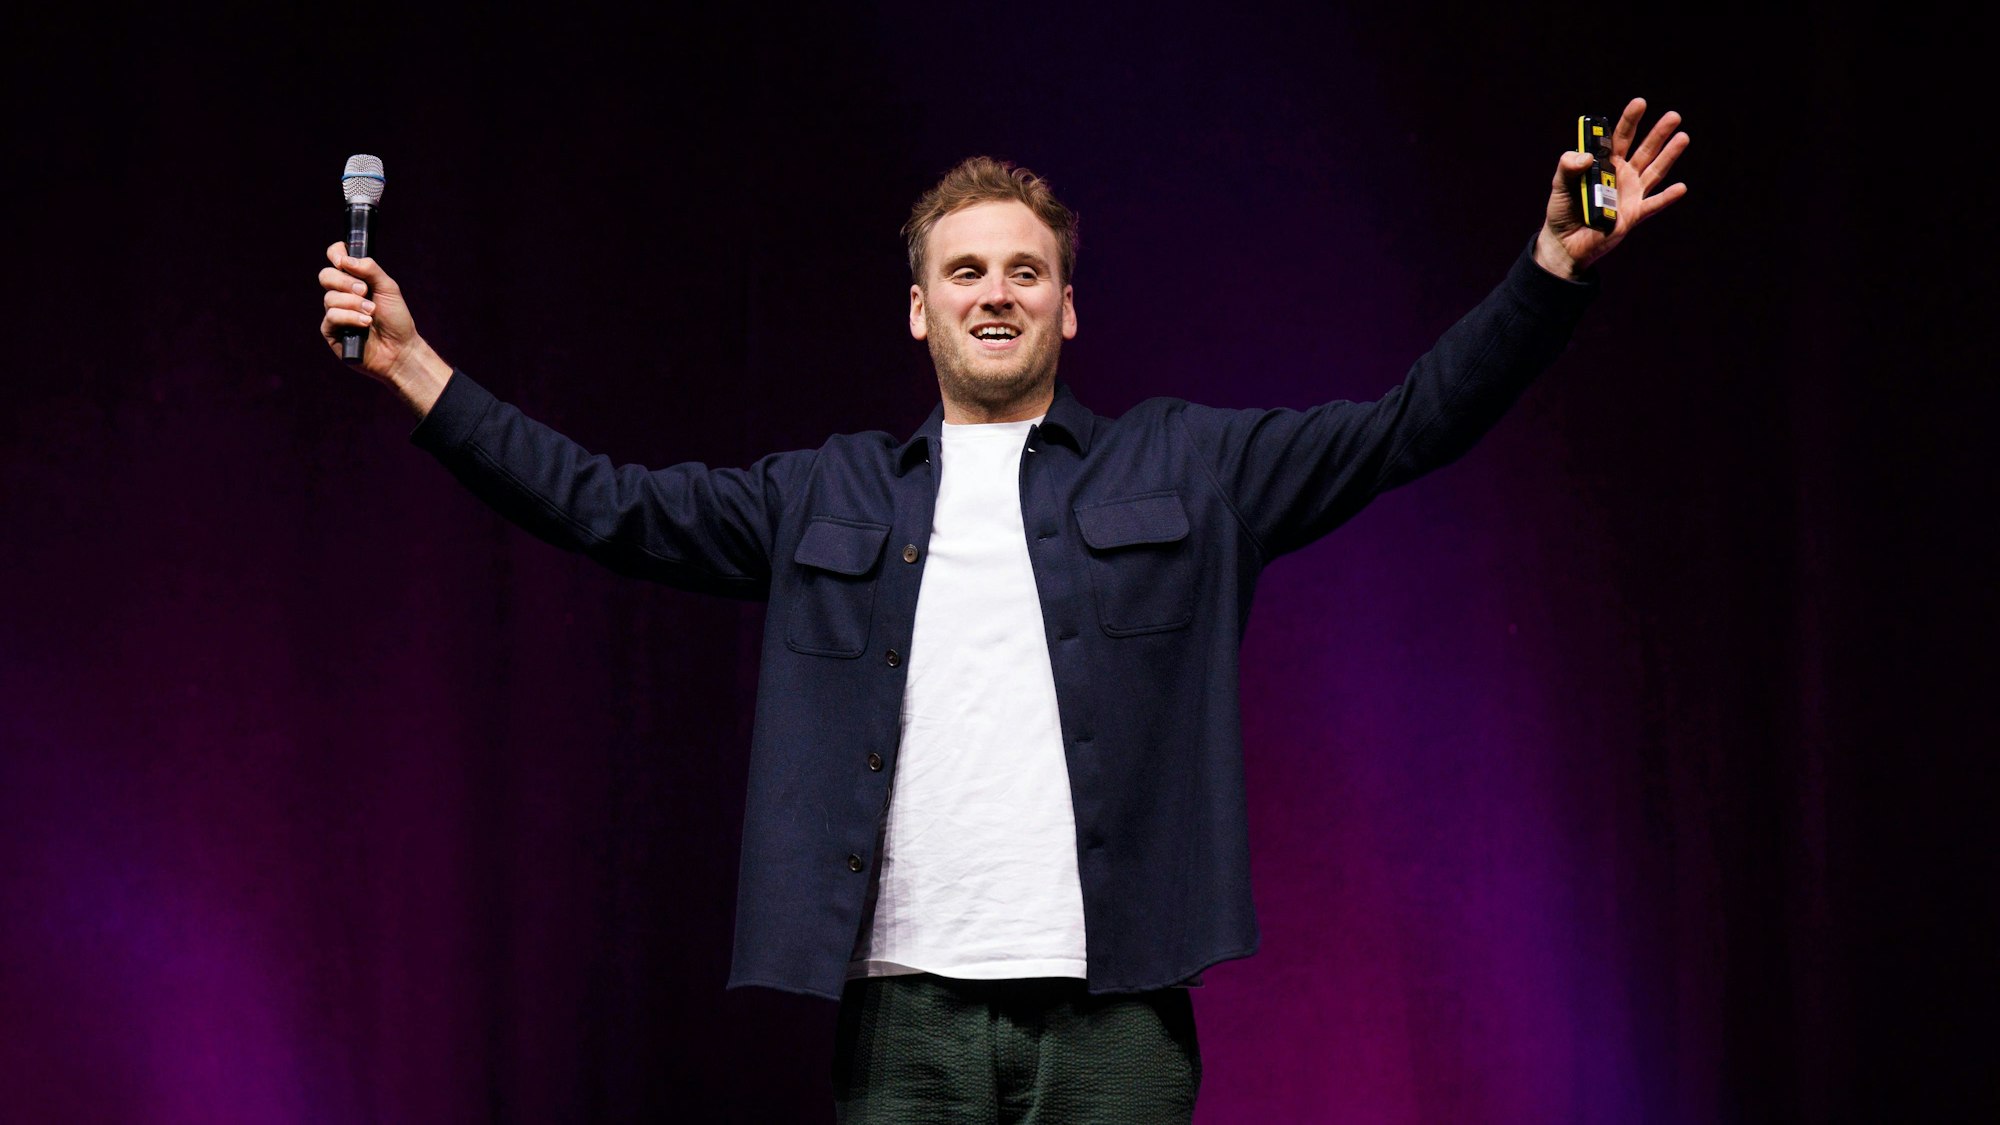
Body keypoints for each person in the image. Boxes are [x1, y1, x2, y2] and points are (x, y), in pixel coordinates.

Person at [317, 98, 1688, 1122]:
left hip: (1116, 1016)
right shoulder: (828, 493)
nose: (995, 293)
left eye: (1023, 271)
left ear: (1068, 308)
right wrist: (419, 369)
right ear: (917, 310)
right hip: (903, 1009)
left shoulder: (1189, 466)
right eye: (964, 272)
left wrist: (1549, 271)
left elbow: (1407, 426)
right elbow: (606, 502)